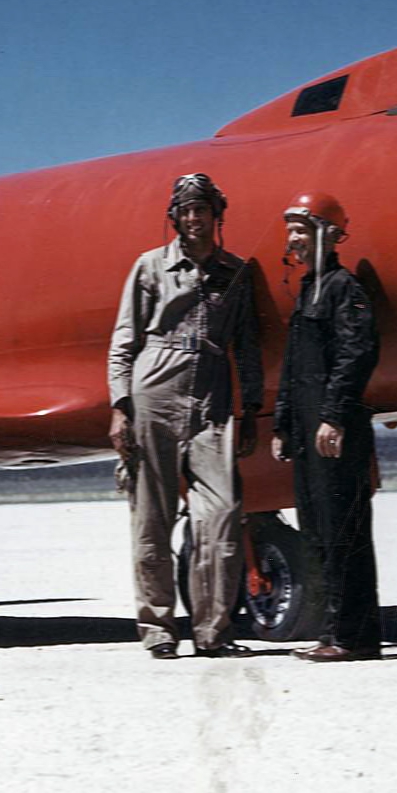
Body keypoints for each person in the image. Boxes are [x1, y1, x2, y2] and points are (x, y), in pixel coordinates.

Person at [108, 172, 263, 659]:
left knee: (221, 516)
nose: (194, 219)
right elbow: (124, 341)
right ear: (174, 217)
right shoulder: (150, 267)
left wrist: (252, 407)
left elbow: (249, 347)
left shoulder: (237, 273)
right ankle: (157, 628)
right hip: (155, 388)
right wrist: (120, 408)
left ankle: (213, 631)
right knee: (152, 516)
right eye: (186, 210)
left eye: (203, 210)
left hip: (213, 398)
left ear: (218, 216)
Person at [271, 191, 382, 661]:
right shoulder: (309, 289)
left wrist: (333, 416)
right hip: (309, 431)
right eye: (291, 231)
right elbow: (295, 366)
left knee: (344, 532)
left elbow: (358, 354)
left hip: (335, 431)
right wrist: (282, 425)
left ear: (328, 234)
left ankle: (353, 638)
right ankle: (333, 632)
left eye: (301, 229)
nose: (293, 240)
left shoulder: (342, 288)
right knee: (318, 531)